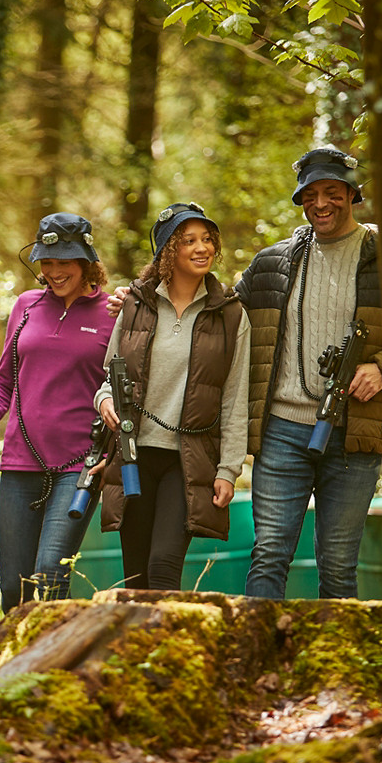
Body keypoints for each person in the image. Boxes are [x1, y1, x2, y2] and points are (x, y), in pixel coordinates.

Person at [235, 146, 382, 599]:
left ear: (351, 195)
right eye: (311, 195)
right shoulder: (273, 262)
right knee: (268, 555)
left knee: (339, 565)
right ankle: (256, 659)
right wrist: (143, 293)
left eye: (332, 192)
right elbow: (215, 312)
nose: (321, 204)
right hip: (282, 433)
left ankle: (335, 671)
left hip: (355, 433)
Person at [93, 202, 250, 591]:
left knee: (163, 566)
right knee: (135, 575)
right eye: (189, 241)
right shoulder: (135, 305)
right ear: (168, 252)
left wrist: (228, 469)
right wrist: (105, 402)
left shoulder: (230, 314)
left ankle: (166, 650)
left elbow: (235, 398)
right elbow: (108, 378)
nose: (203, 248)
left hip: (188, 460)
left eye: (208, 239)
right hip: (132, 454)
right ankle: (139, 651)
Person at [0, 212, 114, 612]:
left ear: (86, 261)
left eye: (65, 261)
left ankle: (48, 670)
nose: (54, 270)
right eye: (47, 261)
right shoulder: (26, 306)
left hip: (79, 466)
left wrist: (109, 456)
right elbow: (2, 381)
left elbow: (122, 390)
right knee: (14, 587)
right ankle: (13, 670)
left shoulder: (113, 313)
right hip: (20, 462)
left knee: (49, 574)